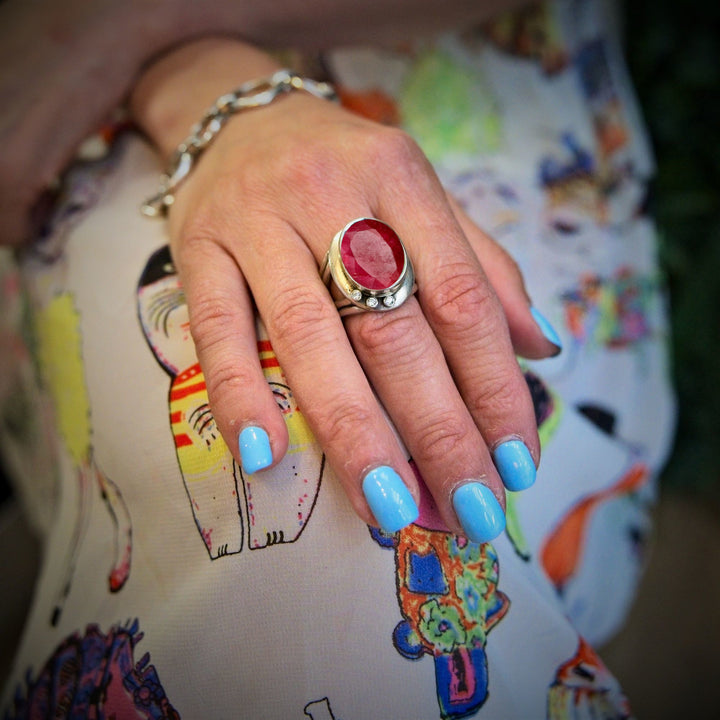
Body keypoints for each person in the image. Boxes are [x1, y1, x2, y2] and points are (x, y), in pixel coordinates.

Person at [0, 0, 675, 717]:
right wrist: (180, 77)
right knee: (294, 511)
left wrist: (141, 26)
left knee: (381, 517)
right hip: (76, 100)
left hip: (457, 70)